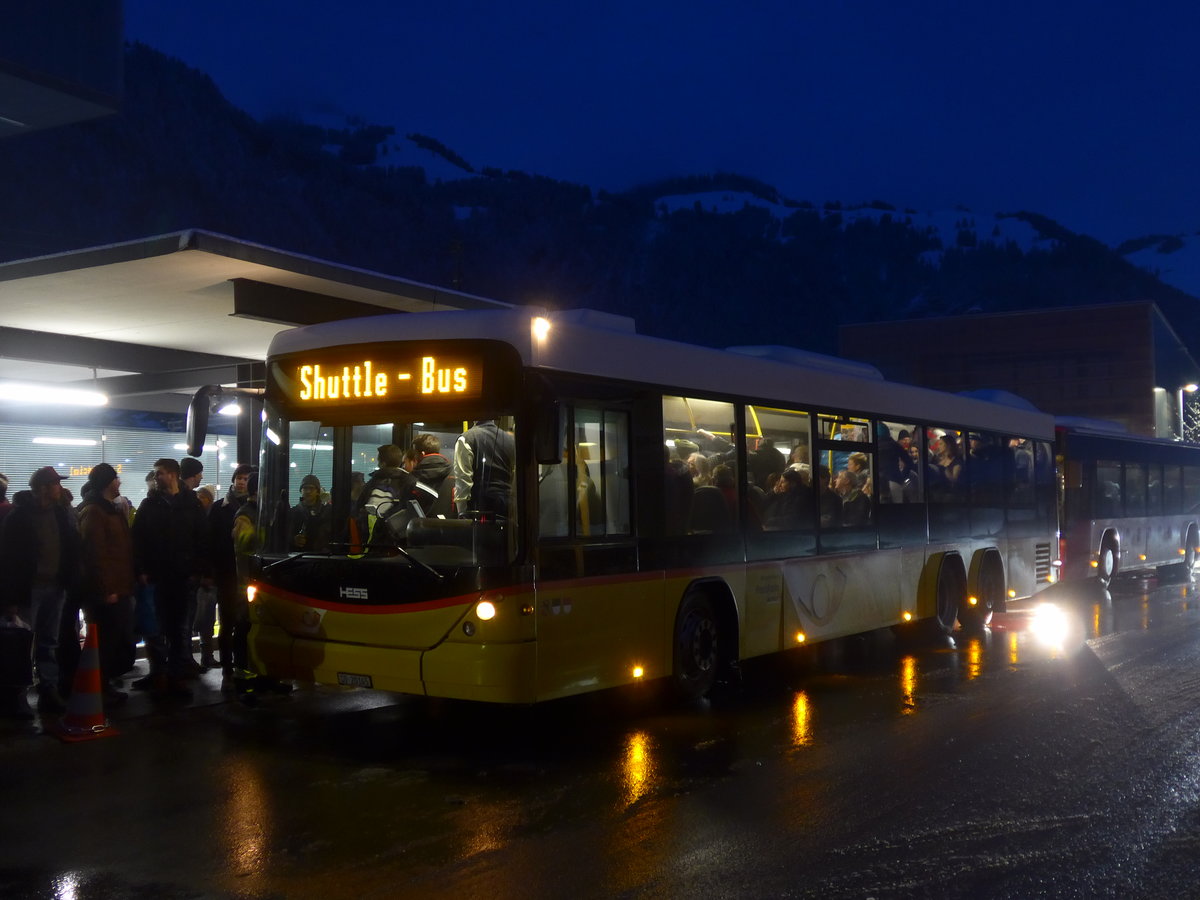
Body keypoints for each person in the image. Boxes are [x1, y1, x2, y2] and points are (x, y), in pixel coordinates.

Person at [0, 467, 81, 716]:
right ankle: (17, 696)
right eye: (56, 483)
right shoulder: (19, 517)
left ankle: (49, 691)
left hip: (56, 587)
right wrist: (10, 598)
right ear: (44, 487)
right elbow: (8, 560)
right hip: (29, 590)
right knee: (21, 644)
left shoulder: (61, 513)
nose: (60, 488)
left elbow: (72, 545)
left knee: (49, 642)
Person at [131, 458, 208, 699]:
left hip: (181, 577)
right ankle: (159, 674)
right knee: (154, 629)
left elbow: (202, 539)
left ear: (173, 475)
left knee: (177, 629)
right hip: (156, 577)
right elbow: (138, 541)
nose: (156, 477)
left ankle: (175, 677)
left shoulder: (191, 505)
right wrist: (141, 570)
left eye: (160, 473)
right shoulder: (149, 504)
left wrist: (198, 571)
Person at [76, 463, 135, 706]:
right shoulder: (95, 511)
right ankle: (100, 686)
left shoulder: (110, 509)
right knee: (106, 641)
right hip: (107, 591)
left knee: (114, 639)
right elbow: (95, 555)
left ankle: (105, 682)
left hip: (119, 587)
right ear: (108, 482)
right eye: (116, 478)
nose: (119, 482)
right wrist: (106, 589)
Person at [209, 464, 252, 677]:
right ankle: (227, 663)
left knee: (247, 620)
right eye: (239, 477)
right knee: (227, 619)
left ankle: (244, 661)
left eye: (246, 478)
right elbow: (210, 540)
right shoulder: (220, 508)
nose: (241, 481)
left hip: (250, 573)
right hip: (227, 572)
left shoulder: (258, 506)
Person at [453, 420, 515, 518]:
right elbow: (514, 474)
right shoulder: (510, 440)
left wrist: (462, 513)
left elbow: (463, 480)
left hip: (479, 509)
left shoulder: (466, 438)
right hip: (507, 506)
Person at [409, 433, 454, 515]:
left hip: (420, 526)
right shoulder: (453, 474)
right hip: (450, 525)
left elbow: (406, 510)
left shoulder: (412, 479)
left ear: (422, 454)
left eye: (415, 453)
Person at [288, 474, 332, 551]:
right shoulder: (292, 513)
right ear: (301, 491)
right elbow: (284, 535)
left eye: (311, 488)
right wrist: (293, 540)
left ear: (318, 492)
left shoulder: (327, 512)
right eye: (305, 488)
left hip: (322, 558)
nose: (308, 491)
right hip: (298, 558)